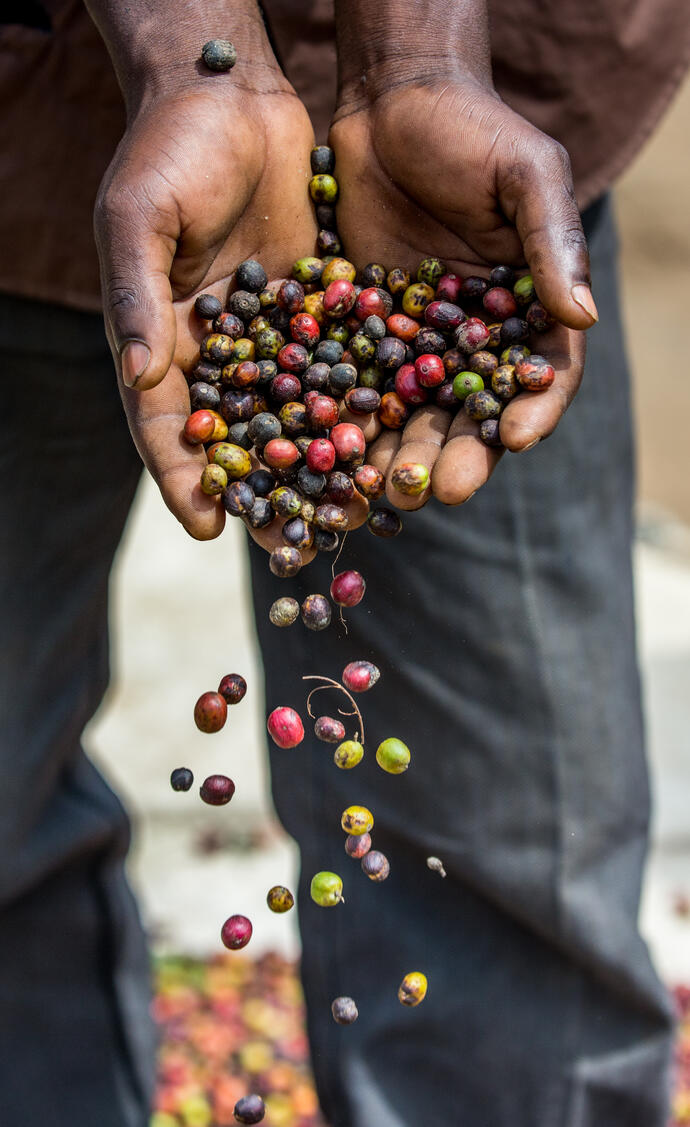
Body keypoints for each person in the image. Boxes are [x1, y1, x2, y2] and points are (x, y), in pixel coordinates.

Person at [0, 1, 687, 1124]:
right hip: (27, 113)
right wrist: (189, 50)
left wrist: (420, 57)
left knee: (506, 855)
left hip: (466, 189)